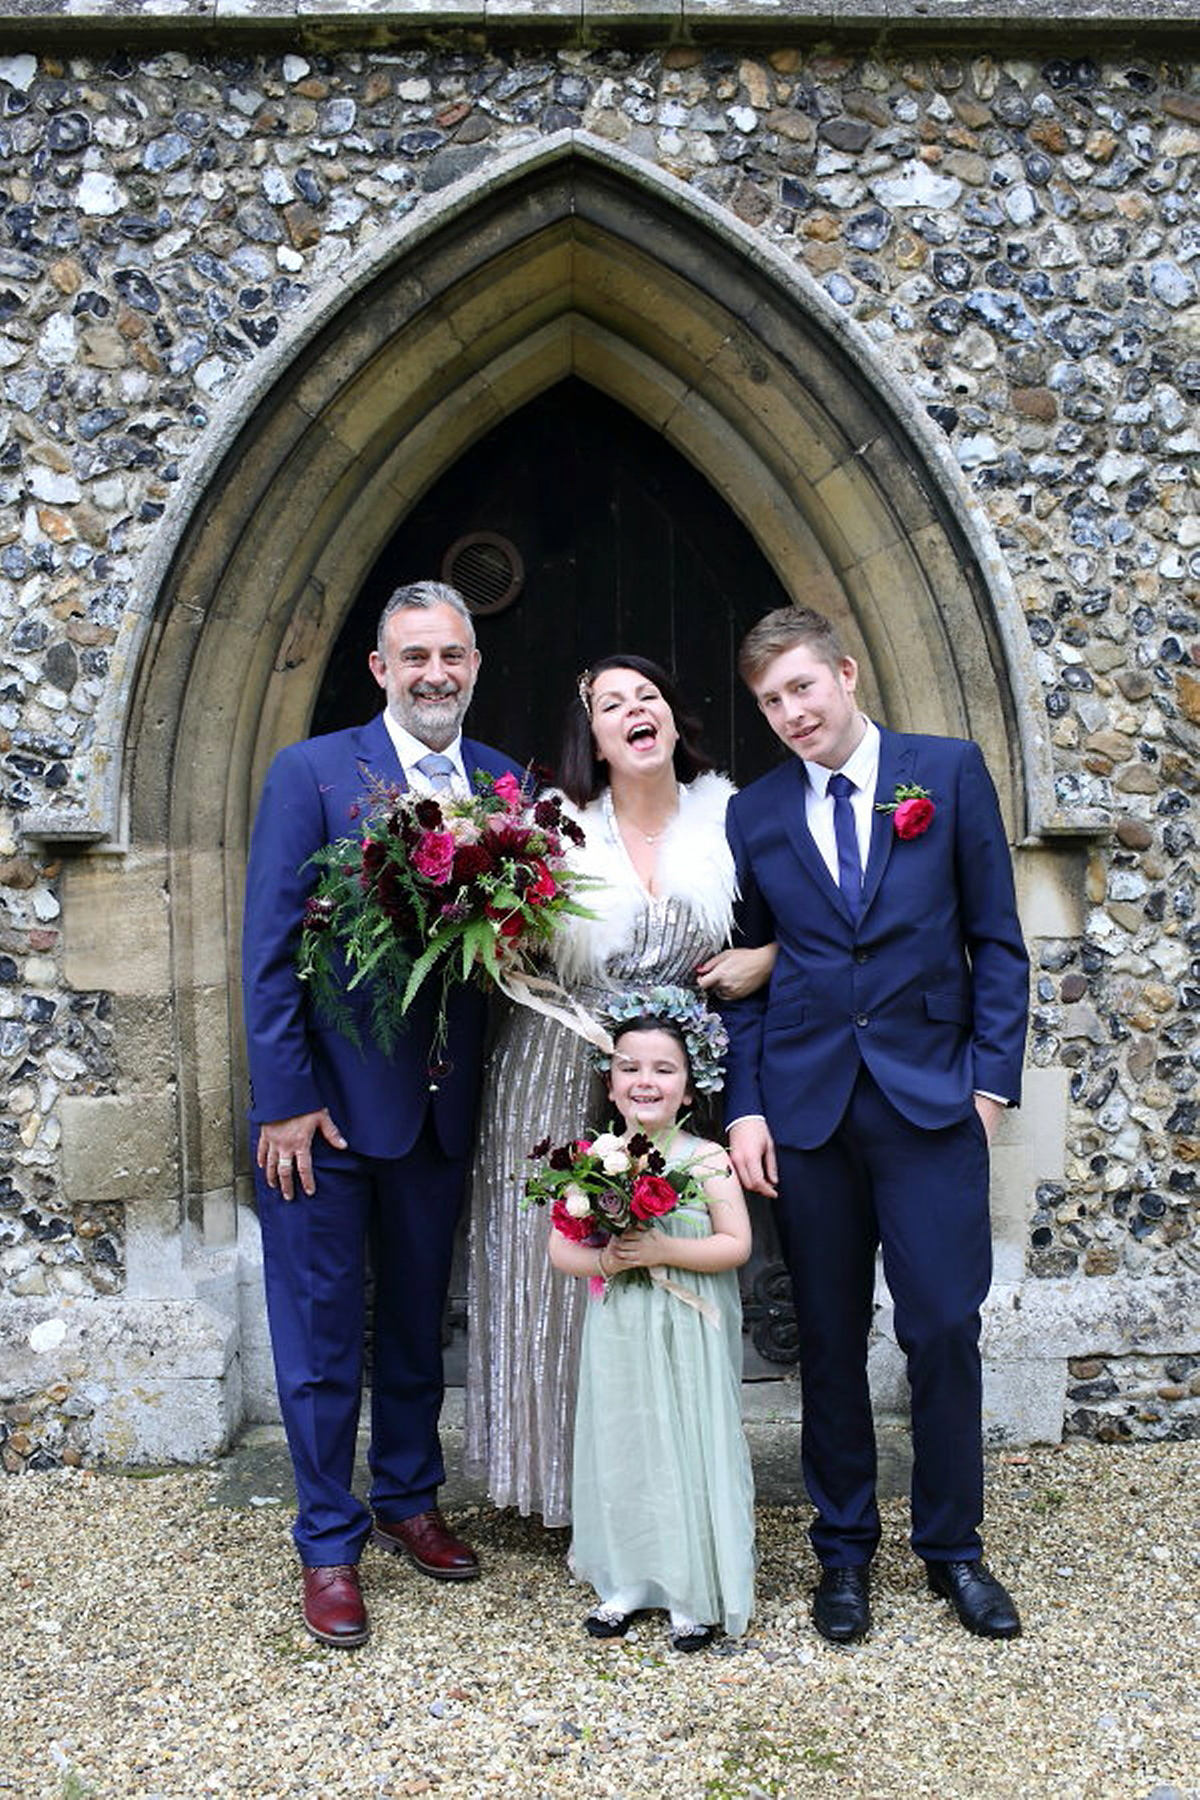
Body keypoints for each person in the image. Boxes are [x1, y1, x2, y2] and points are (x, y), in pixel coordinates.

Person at [722, 605, 1029, 1644]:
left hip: (933, 1098)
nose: (791, 714)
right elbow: (753, 974)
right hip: (810, 1110)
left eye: (803, 688)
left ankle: (955, 1552)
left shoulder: (944, 775)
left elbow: (999, 940)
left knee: (943, 1324)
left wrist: (991, 1088)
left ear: (847, 674)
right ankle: (843, 1552)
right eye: (771, 702)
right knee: (828, 1335)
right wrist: (749, 1103)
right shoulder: (757, 814)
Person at [242, 580, 523, 1648]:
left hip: (443, 1114)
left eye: (452, 655)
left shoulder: (503, 784)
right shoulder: (313, 775)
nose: (436, 674)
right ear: (380, 670)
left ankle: (409, 1499)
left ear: (474, 664)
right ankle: (327, 1542)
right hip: (324, 1121)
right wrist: (284, 1102)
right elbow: (269, 952)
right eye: (415, 658)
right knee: (319, 1342)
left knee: (415, 1325)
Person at [465, 655, 773, 1525]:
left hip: (664, 1078)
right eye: (611, 704)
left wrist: (770, 956)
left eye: (649, 697)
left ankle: (649, 1486)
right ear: (594, 738)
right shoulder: (552, 829)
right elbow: (496, 954)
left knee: (654, 1253)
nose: (634, 711)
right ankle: (557, 1485)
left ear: (674, 720)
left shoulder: (731, 819)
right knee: (555, 1263)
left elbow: (807, 919)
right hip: (554, 1060)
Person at [546, 999, 755, 1649]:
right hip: (624, 1332)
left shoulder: (707, 1159)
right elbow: (559, 1251)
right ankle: (629, 1578)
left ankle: (690, 1588)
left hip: (690, 1333)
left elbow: (736, 1244)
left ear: (690, 1084)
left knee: (687, 1442)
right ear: (608, 1082)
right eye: (628, 1067)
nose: (645, 1081)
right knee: (627, 1443)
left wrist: (666, 1250)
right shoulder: (587, 1158)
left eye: (663, 1069)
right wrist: (605, 1255)